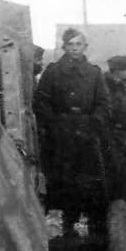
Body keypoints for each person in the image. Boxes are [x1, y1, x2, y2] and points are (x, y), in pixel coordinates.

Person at [33, 28, 111, 237]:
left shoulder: (94, 73)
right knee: (63, 179)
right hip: (61, 135)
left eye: (79, 44)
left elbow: (104, 103)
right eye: (71, 45)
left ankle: (94, 225)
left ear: (85, 47)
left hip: (86, 134)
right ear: (64, 47)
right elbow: (42, 100)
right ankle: (67, 223)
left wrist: (93, 123)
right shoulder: (53, 71)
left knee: (89, 180)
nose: (75, 49)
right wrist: (54, 124)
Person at [103, 55, 126, 202]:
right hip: (108, 139)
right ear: (117, 71)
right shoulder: (104, 89)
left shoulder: (123, 91)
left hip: (121, 140)